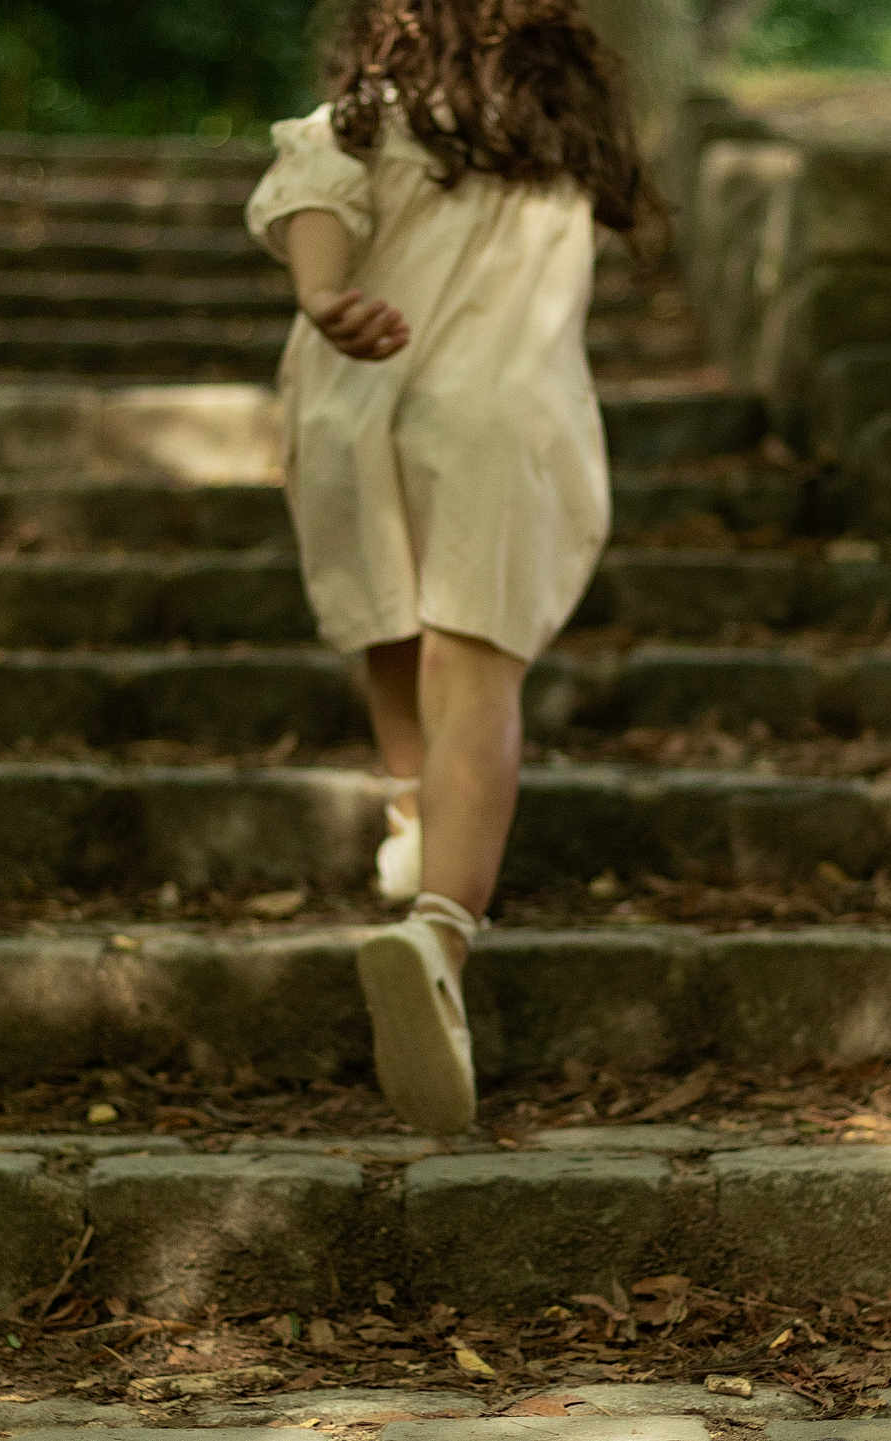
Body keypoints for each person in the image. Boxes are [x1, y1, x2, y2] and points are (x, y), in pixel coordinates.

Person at [244, 0, 665, 1134]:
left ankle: (408, 814)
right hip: (503, 414)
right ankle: (438, 930)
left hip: (357, 406)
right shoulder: (561, 129)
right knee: (473, 664)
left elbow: (312, 197)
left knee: (391, 621)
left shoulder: (368, 113)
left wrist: (325, 300)